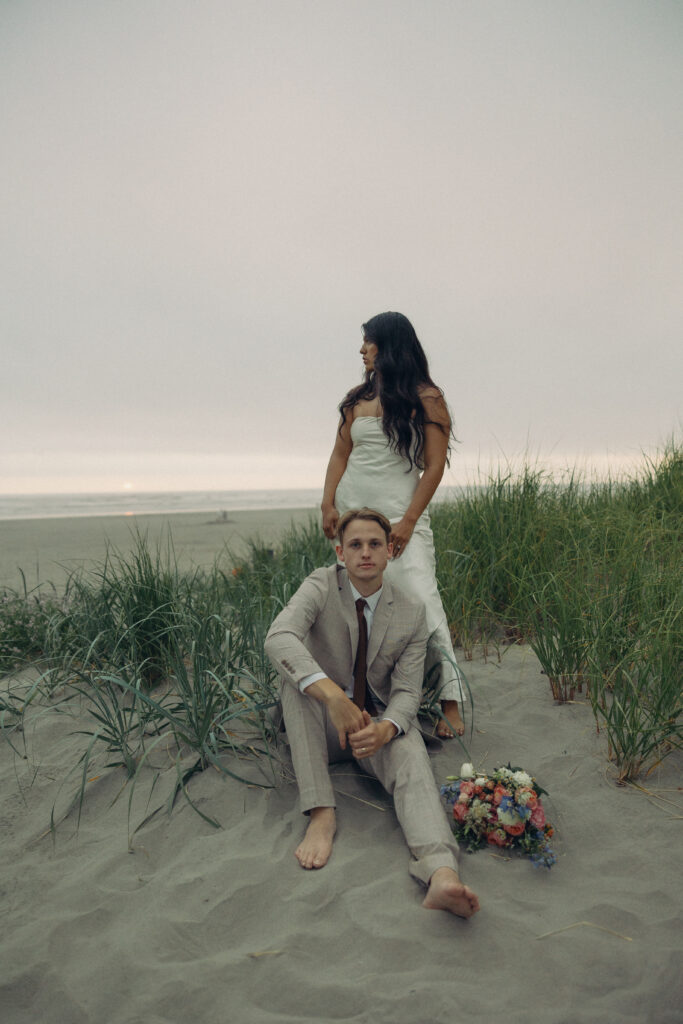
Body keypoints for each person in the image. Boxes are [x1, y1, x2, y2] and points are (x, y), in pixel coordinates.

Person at [264, 507, 480, 919]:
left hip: (372, 726)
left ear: (390, 551)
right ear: (340, 553)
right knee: (297, 689)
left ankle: (440, 873)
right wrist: (334, 698)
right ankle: (322, 814)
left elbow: (406, 693)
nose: (366, 553)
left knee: (409, 746)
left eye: (375, 544)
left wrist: (385, 729)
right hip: (321, 727)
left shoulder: (412, 611)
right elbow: (279, 638)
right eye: (355, 545)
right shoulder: (320, 586)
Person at [321, 310, 466, 738]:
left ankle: (450, 702)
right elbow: (339, 455)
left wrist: (408, 520)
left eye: (369, 341)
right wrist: (327, 502)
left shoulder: (426, 397)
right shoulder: (356, 400)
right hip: (354, 518)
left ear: (389, 345)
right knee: (356, 604)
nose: (362, 349)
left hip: (402, 520)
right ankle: (366, 695)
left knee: (422, 598)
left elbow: (435, 466)